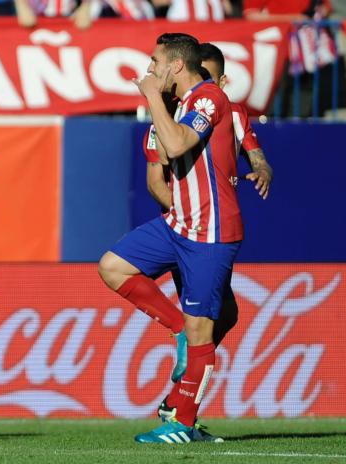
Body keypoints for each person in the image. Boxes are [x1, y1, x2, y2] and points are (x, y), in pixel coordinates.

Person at [99, 32, 242, 444]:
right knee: (113, 266)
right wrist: (160, 106)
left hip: (208, 231)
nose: (149, 70)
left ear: (176, 65)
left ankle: (182, 423)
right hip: (177, 223)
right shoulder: (179, 106)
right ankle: (179, 329)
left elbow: (176, 145)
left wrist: (152, 99)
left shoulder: (209, 97)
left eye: (155, 62)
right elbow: (159, 162)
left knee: (206, 331)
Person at [145, 41, 273, 442]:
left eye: (214, 80)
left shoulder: (225, 107)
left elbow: (254, 150)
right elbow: (156, 175)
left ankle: (181, 415)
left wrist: (261, 167)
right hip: (188, 226)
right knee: (115, 265)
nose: (211, 87)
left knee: (218, 318)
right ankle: (180, 407)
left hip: (213, 228)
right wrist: (182, 217)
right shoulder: (171, 112)